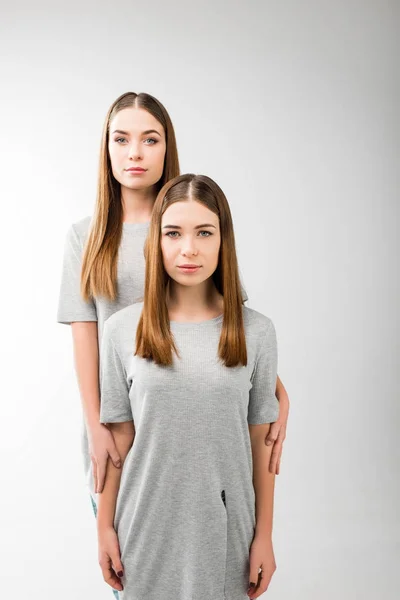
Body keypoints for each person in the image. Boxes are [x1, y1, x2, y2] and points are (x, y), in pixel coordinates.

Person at [97, 173, 280, 600]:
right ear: (156, 241)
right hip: (143, 526)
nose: (189, 249)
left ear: (223, 240)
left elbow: (262, 443)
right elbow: (119, 438)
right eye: (173, 233)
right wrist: (104, 526)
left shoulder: (257, 333)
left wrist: (264, 536)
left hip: (226, 531)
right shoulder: (122, 330)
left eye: (204, 232)